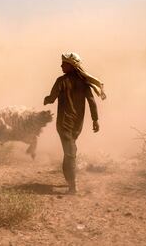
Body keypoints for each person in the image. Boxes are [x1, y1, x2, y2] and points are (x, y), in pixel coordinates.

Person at [44, 52, 106, 194]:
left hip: (64, 123)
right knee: (70, 151)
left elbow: (52, 98)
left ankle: (72, 187)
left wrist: (46, 99)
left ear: (72, 66)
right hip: (78, 124)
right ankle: (70, 181)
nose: (61, 65)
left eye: (64, 63)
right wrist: (95, 120)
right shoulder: (84, 83)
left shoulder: (61, 81)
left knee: (70, 153)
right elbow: (92, 103)